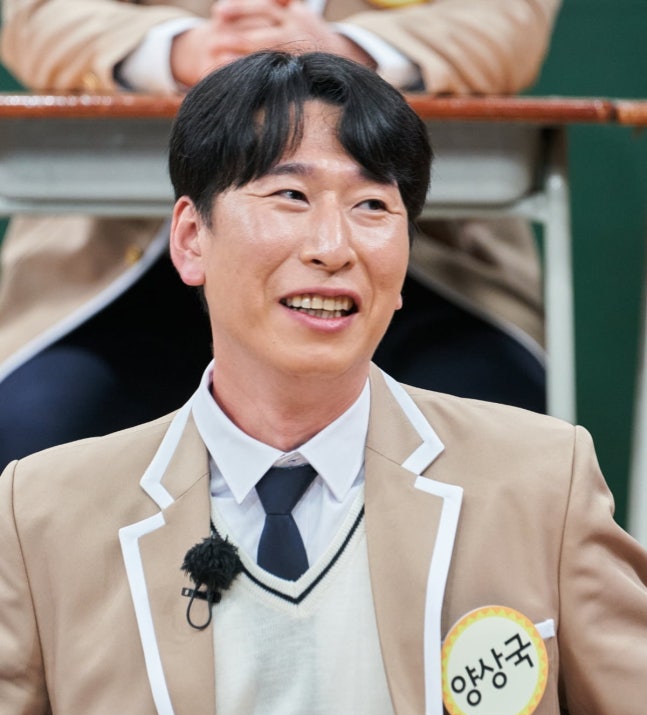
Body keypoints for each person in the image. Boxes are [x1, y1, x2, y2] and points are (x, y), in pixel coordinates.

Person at [0, 50, 646, 715]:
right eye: (289, 196)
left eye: (373, 206)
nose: (333, 247)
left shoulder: (536, 480)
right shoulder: (50, 510)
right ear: (190, 239)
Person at [0, 0, 561, 468]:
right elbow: (36, 16)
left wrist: (341, 54)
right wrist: (185, 49)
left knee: (490, 445)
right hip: (108, 268)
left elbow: (508, 21)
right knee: (41, 432)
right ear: (188, 231)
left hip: (434, 272)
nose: (326, 247)